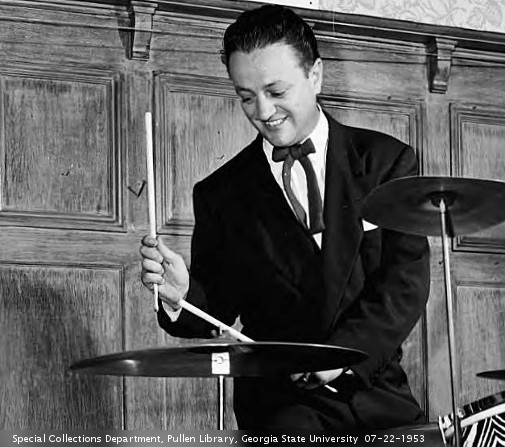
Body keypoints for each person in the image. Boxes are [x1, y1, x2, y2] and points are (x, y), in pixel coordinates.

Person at [140, 3, 430, 430]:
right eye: (246, 97)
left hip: (378, 395)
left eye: (276, 91)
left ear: (315, 76)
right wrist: (180, 294)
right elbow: (215, 306)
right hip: (280, 410)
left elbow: (405, 283)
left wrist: (339, 359)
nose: (262, 111)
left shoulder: (387, 162)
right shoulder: (220, 193)